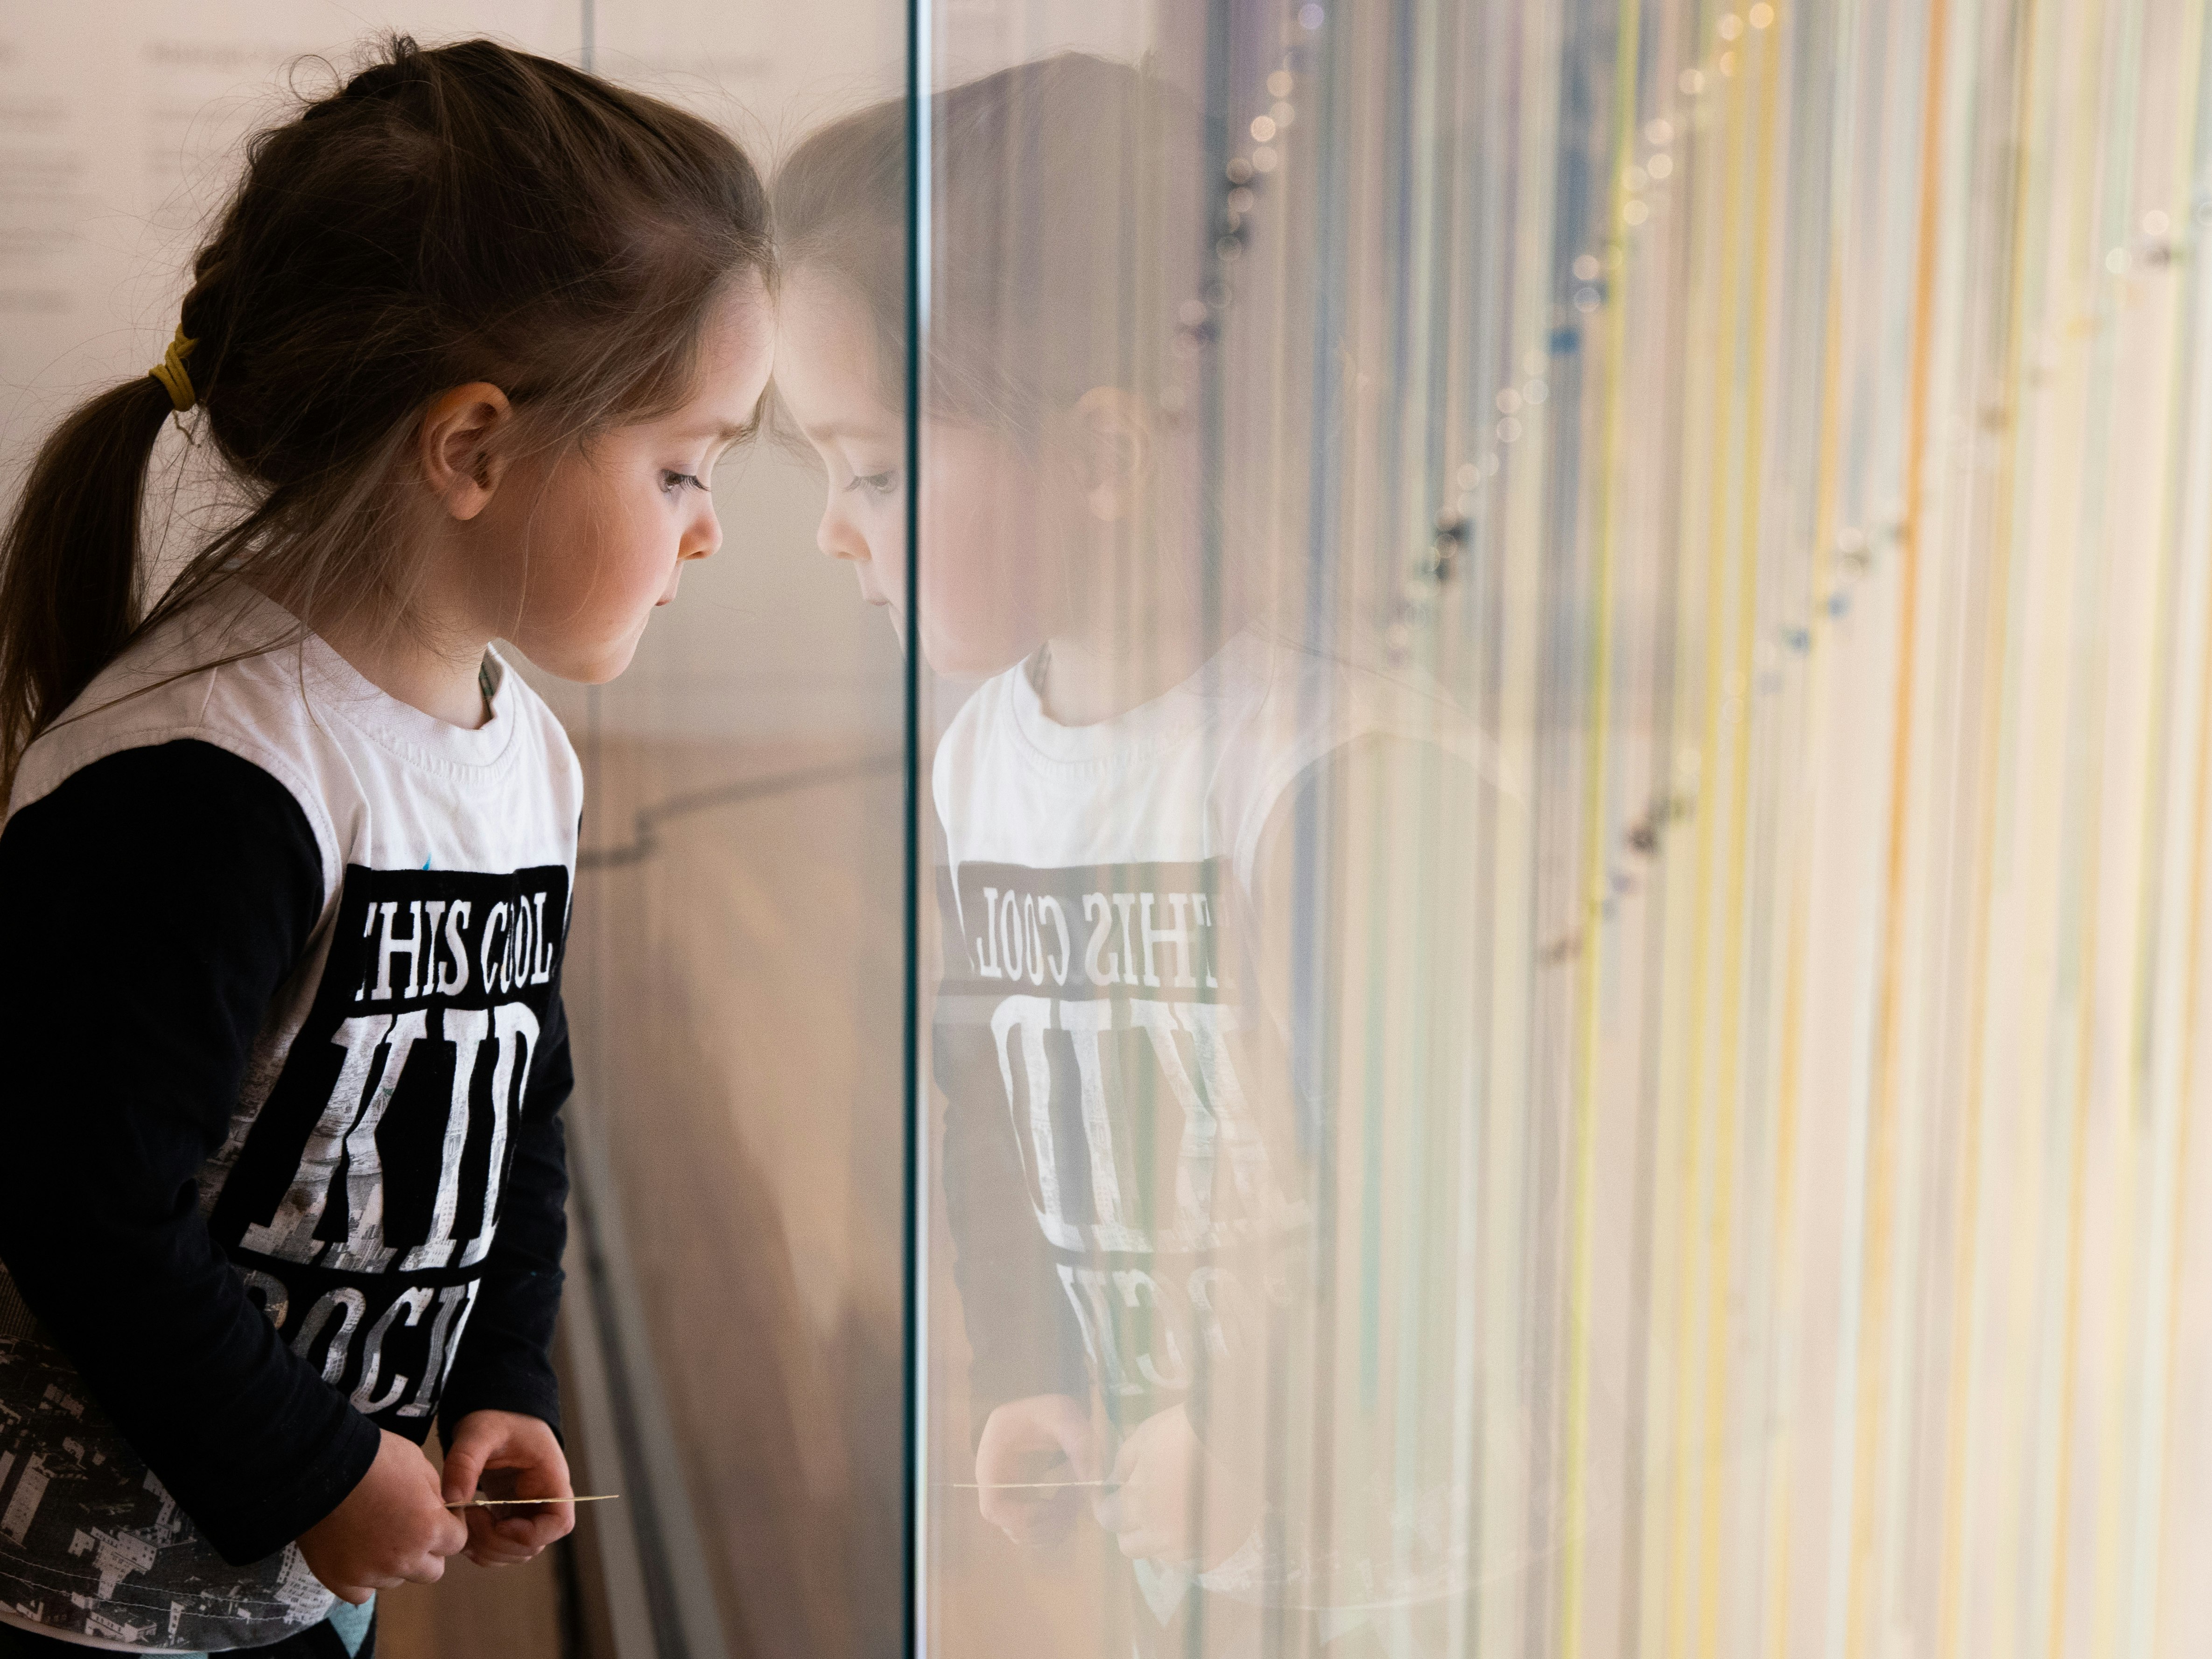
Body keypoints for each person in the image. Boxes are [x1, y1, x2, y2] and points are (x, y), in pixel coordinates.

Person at [0, 36, 772, 1657]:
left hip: (301, 1575)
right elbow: (76, 1199)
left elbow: (515, 1112)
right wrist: (312, 1462)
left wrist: (498, 1380)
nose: (708, 527)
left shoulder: (519, 758)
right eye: (682, 465)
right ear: (474, 448)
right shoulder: (208, 785)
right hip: (84, 1613)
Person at [772, 53, 1502, 1658]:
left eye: (874, 469)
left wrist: (1247, 1422)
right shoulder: (983, 760)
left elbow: (1435, 1180)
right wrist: (1036, 1368)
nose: (832, 526)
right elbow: (993, 1103)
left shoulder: (1339, 774)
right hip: (1208, 1544)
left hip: (1429, 1567)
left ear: (1101, 459)